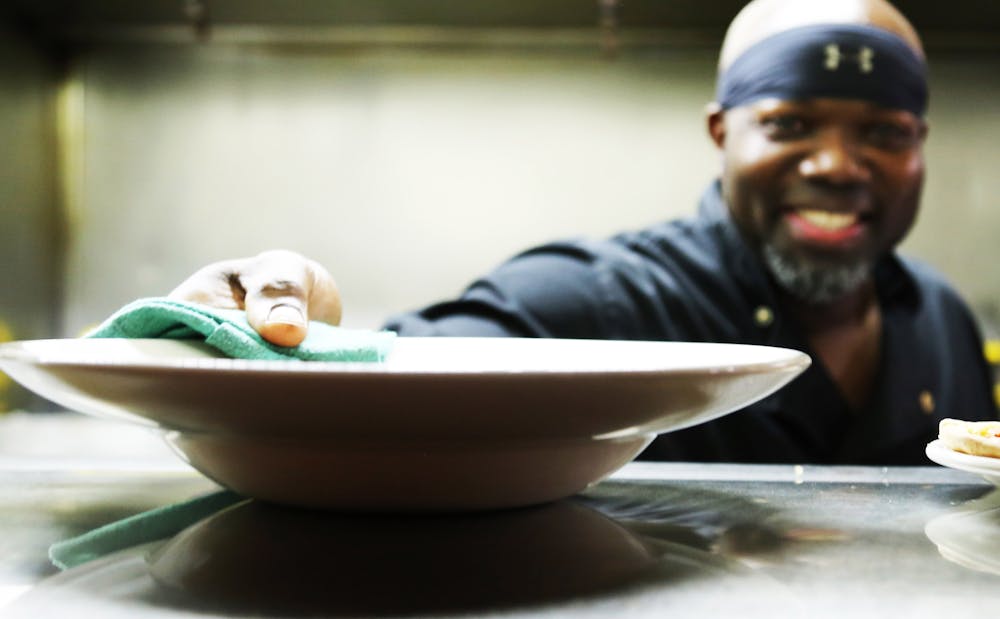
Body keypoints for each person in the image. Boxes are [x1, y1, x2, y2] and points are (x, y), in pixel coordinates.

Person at [169, 0, 998, 465]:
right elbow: (365, 396)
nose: (838, 165)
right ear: (722, 134)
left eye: (885, 133)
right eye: (791, 124)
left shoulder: (943, 318)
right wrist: (249, 329)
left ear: (920, 147)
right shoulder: (596, 299)